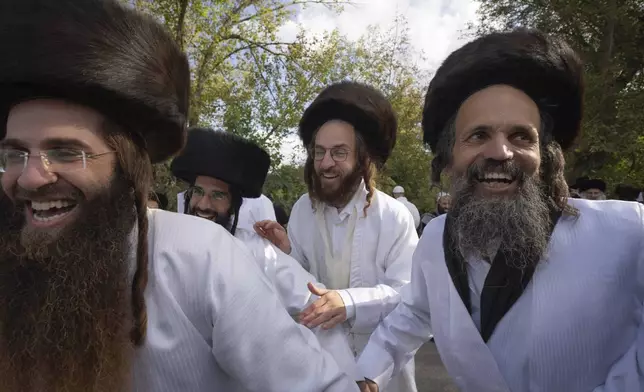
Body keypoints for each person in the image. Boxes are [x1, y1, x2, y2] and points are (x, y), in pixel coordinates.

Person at [0, 1, 360, 391]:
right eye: (13, 154)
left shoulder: (202, 257)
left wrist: (362, 373)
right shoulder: (17, 264)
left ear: (127, 169)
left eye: (67, 151)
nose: (32, 177)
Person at [357, 29, 644, 392]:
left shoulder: (628, 232)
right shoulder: (435, 238)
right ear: (451, 157)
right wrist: (368, 372)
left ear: (547, 156)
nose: (500, 153)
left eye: (521, 136)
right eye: (478, 136)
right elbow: (416, 312)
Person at [256, 81, 419, 392]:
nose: (326, 163)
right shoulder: (303, 209)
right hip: (322, 359)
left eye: (339, 153)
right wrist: (288, 252)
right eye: (319, 152)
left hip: (383, 365)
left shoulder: (392, 216)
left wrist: (348, 301)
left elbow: (410, 296)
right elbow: (303, 280)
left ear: (362, 158)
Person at [170, 127, 361, 379]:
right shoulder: (164, 244)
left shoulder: (257, 251)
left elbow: (315, 303)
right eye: (197, 192)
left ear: (234, 204)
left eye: (217, 195)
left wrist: (350, 378)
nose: (203, 205)